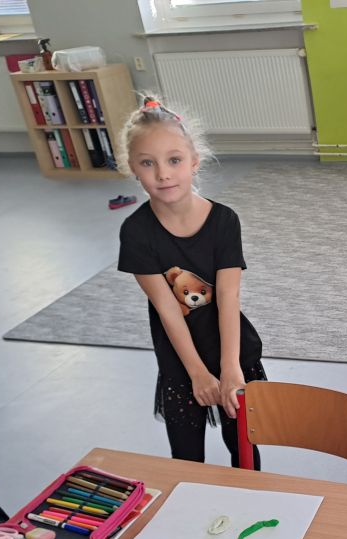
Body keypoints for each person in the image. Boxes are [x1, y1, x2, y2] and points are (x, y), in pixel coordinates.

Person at [116, 96, 265, 468]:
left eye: (174, 160)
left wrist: (230, 367)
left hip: (232, 351)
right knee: (185, 458)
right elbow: (168, 309)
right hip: (180, 361)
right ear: (132, 168)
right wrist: (197, 373)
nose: (163, 174)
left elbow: (228, 296)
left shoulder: (224, 221)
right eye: (148, 163)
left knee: (245, 448)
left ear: (194, 161)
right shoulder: (136, 232)